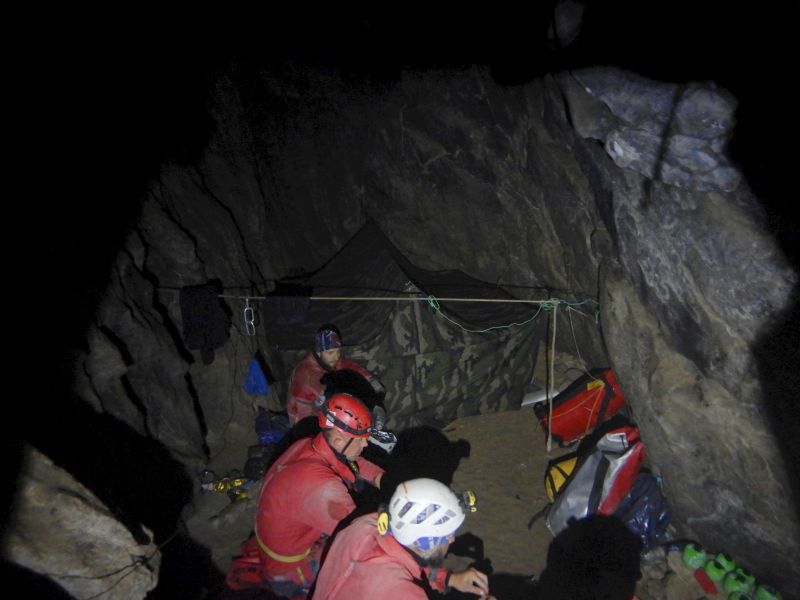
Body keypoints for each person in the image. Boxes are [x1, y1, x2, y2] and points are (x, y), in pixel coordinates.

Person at [225, 393, 384, 599]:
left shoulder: (309, 445)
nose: (365, 445)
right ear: (337, 439)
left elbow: (353, 463)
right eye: (361, 440)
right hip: (288, 573)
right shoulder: (319, 486)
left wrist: (382, 477)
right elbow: (361, 536)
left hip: (282, 541)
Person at [312, 478, 494, 599]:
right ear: (425, 540)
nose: (452, 540)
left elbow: (407, 558)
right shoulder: (401, 592)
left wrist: (448, 579)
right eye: (447, 534)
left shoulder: (367, 524)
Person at [286, 324, 384, 426]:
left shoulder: (328, 361)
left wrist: (371, 380)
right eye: (331, 352)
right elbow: (305, 415)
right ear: (319, 353)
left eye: (338, 351)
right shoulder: (307, 375)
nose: (336, 357)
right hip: (307, 423)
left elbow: (349, 367)